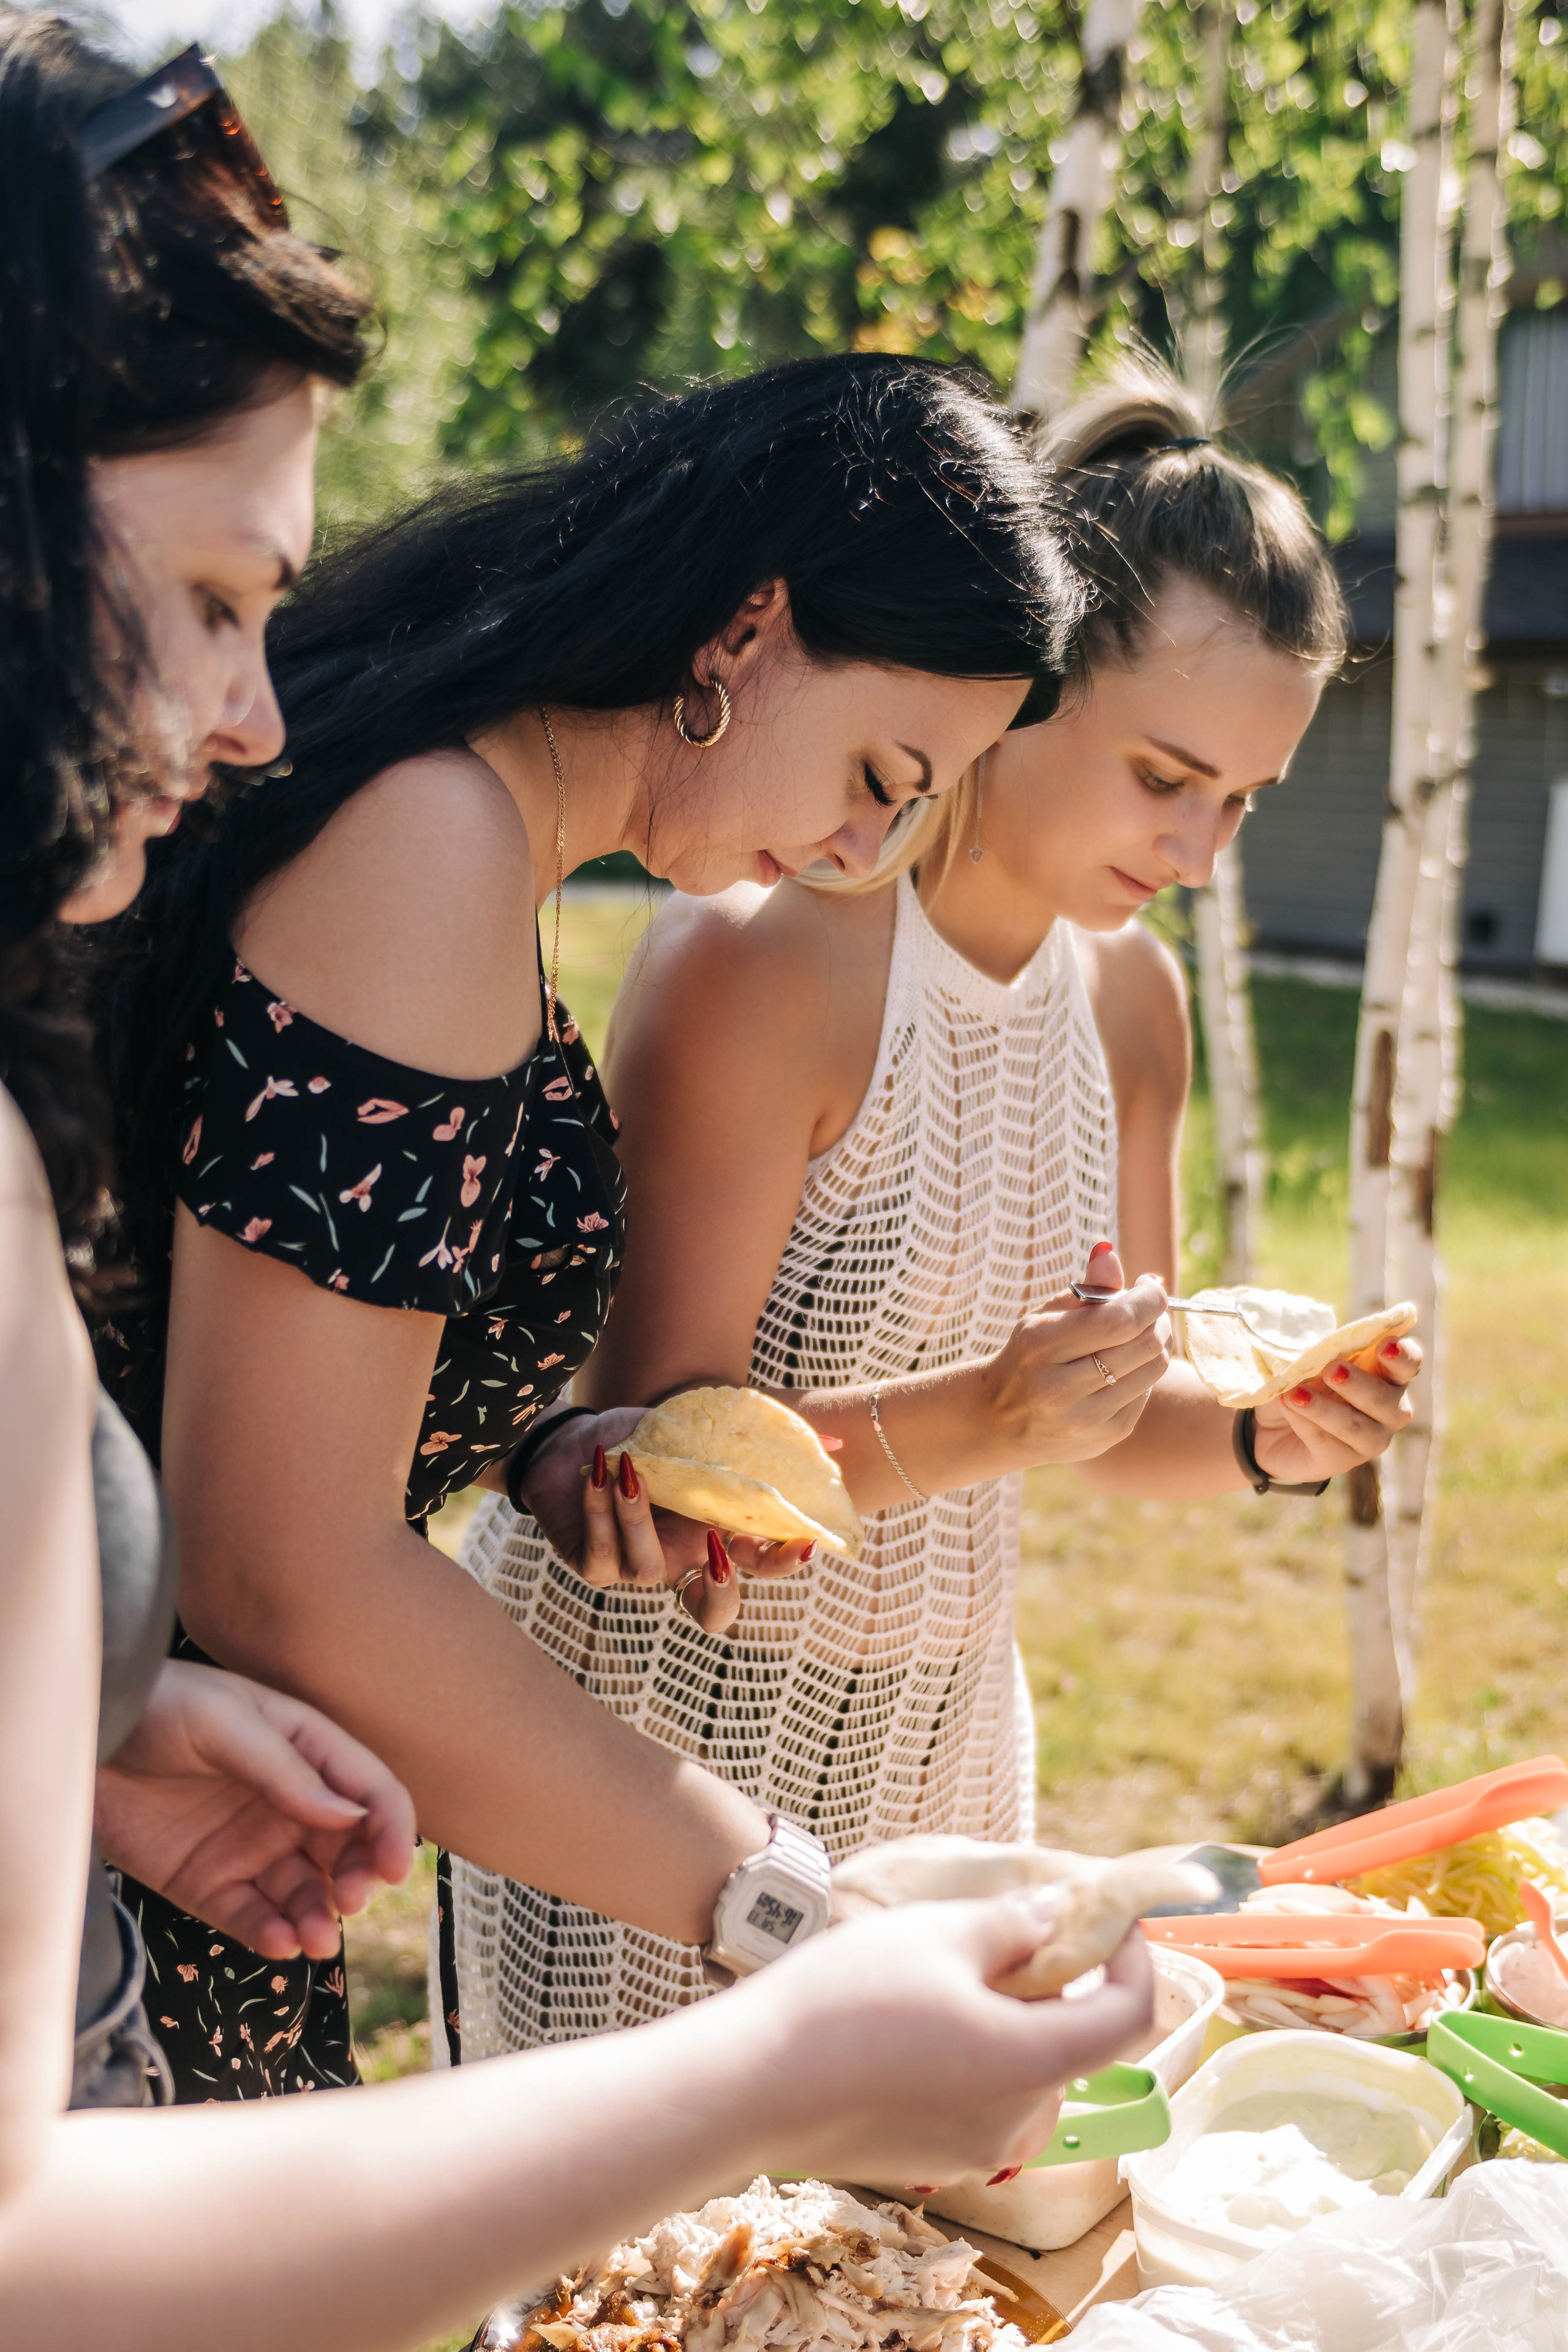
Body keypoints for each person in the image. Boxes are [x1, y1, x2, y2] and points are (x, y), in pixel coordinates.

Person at [0, 16, 1155, 2342]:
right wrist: (778, 1929)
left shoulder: (480, 850)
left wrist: (559, 1446)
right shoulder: (428, 841)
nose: (864, 848)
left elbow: (289, 1381)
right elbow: (285, 1552)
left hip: (188, 1810)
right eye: (881, 767)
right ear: (746, 634)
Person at [451, 365, 1424, 2052]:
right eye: (1165, 777)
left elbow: (1099, 1429)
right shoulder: (769, 961)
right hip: (660, 1763)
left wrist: (1274, 1436)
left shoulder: (1133, 1011)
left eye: (1244, 801)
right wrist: (989, 1412)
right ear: (1031, 685)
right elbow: (662, 1467)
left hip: (944, 1761)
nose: (1199, 851)